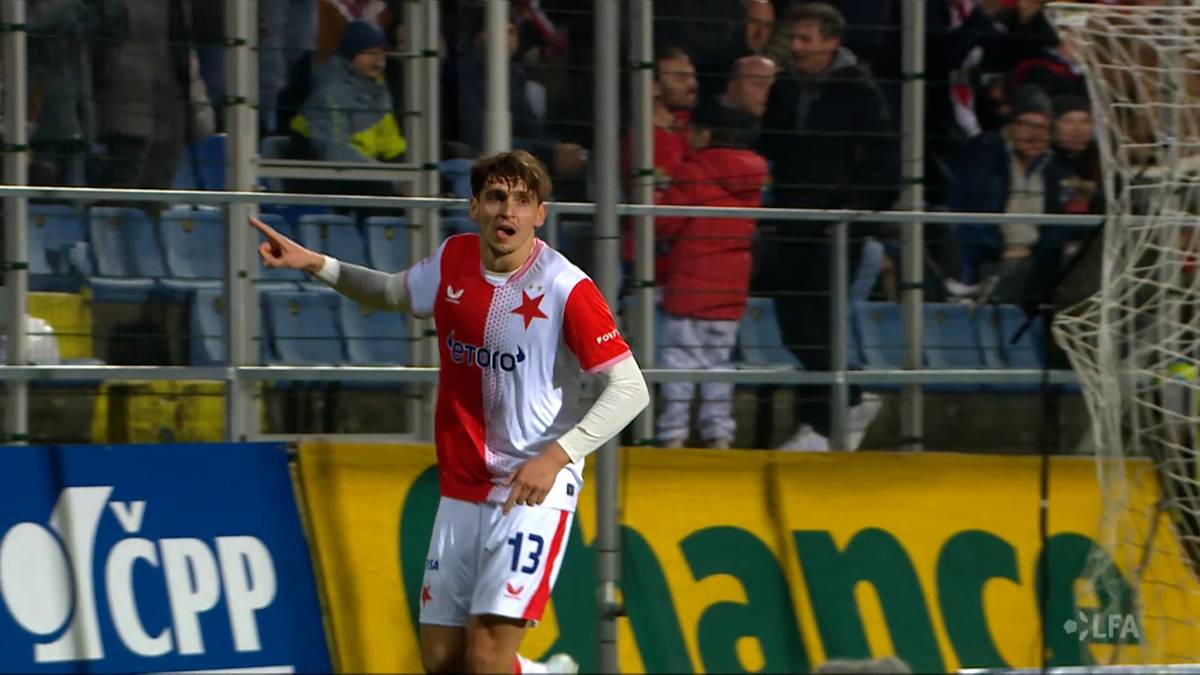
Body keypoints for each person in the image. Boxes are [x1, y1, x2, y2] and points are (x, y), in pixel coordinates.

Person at [251, 150, 649, 674]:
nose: (508, 210)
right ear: (474, 207)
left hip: (533, 488)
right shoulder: (453, 259)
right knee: (442, 660)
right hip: (463, 483)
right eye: (497, 197)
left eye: (522, 200)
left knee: (485, 656)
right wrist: (315, 263)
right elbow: (391, 292)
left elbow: (631, 389)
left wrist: (557, 456)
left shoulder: (564, 286)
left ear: (540, 214)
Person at [654, 101, 769, 449]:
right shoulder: (753, 178)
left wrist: (657, 196)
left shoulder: (694, 169)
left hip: (689, 282)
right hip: (731, 286)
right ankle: (719, 434)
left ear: (705, 134)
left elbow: (664, 223)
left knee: (679, 360)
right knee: (719, 362)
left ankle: (673, 433)